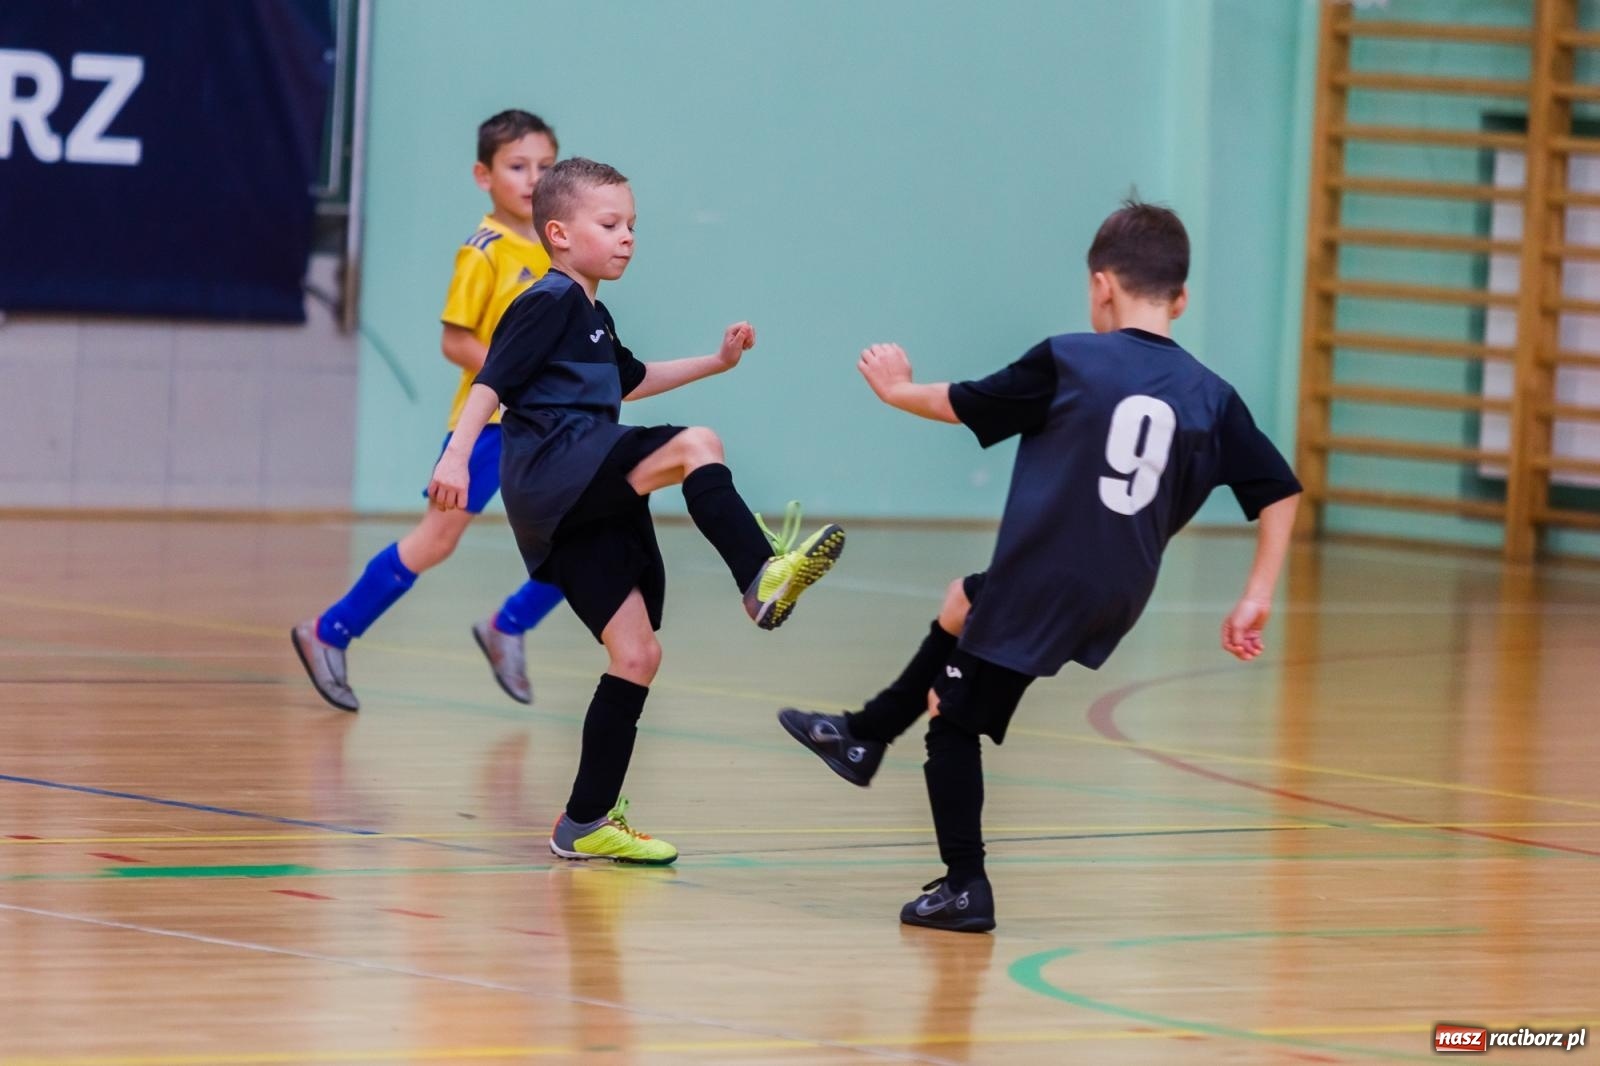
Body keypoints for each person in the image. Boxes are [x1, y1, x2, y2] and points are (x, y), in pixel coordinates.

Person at [778, 200, 1302, 931]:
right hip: (1116, 589)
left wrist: (896, 389)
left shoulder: (1071, 358)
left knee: (952, 722)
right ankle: (863, 735)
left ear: (1101, 286)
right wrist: (1256, 595)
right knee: (962, 600)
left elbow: (965, 403)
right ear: (1180, 298)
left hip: (1046, 578)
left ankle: (965, 887)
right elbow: (1279, 491)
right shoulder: (1214, 397)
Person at [429, 157, 846, 864]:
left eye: (632, 226)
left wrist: (717, 362)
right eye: (610, 223)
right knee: (698, 444)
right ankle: (761, 578)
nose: (627, 237)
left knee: (637, 654)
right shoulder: (547, 299)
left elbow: (633, 379)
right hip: (561, 470)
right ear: (558, 233)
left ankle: (585, 822)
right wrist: (454, 456)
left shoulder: (592, 312)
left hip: (573, 496)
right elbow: (489, 381)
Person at [292, 110, 566, 712]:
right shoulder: (484, 251)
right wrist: (516, 376)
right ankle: (328, 632)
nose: (532, 178)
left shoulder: (557, 248)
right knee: (436, 541)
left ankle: (508, 625)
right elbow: (455, 340)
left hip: (548, 428)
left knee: (585, 535)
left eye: (545, 167)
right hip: (489, 427)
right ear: (483, 175)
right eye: (518, 166)